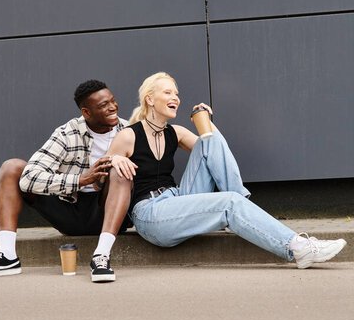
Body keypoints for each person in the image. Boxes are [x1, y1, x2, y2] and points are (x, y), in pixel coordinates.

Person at [90, 71, 347, 281]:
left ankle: (238, 202)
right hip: (150, 214)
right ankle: (298, 248)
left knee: (207, 140)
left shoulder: (176, 132)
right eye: (167, 92)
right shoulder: (129, 135)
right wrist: (116, 158)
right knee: (228, 203)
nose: (175, 97)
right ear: (149, 99)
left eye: (177, 93)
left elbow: (213, 150)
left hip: (178, 198)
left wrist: (207, 122)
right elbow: (103, 182)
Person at [0, 80, 136, 280]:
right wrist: (80, 180)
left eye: (113, 101)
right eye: (103, 105)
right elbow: (28, 178)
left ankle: (101, 256)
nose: (112, 107)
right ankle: (7, 256)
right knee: (12, 168)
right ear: (86, 112)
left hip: (110, 212)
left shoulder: (130, 130)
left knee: (120, 169)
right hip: (70, 210)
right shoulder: (68, 133)